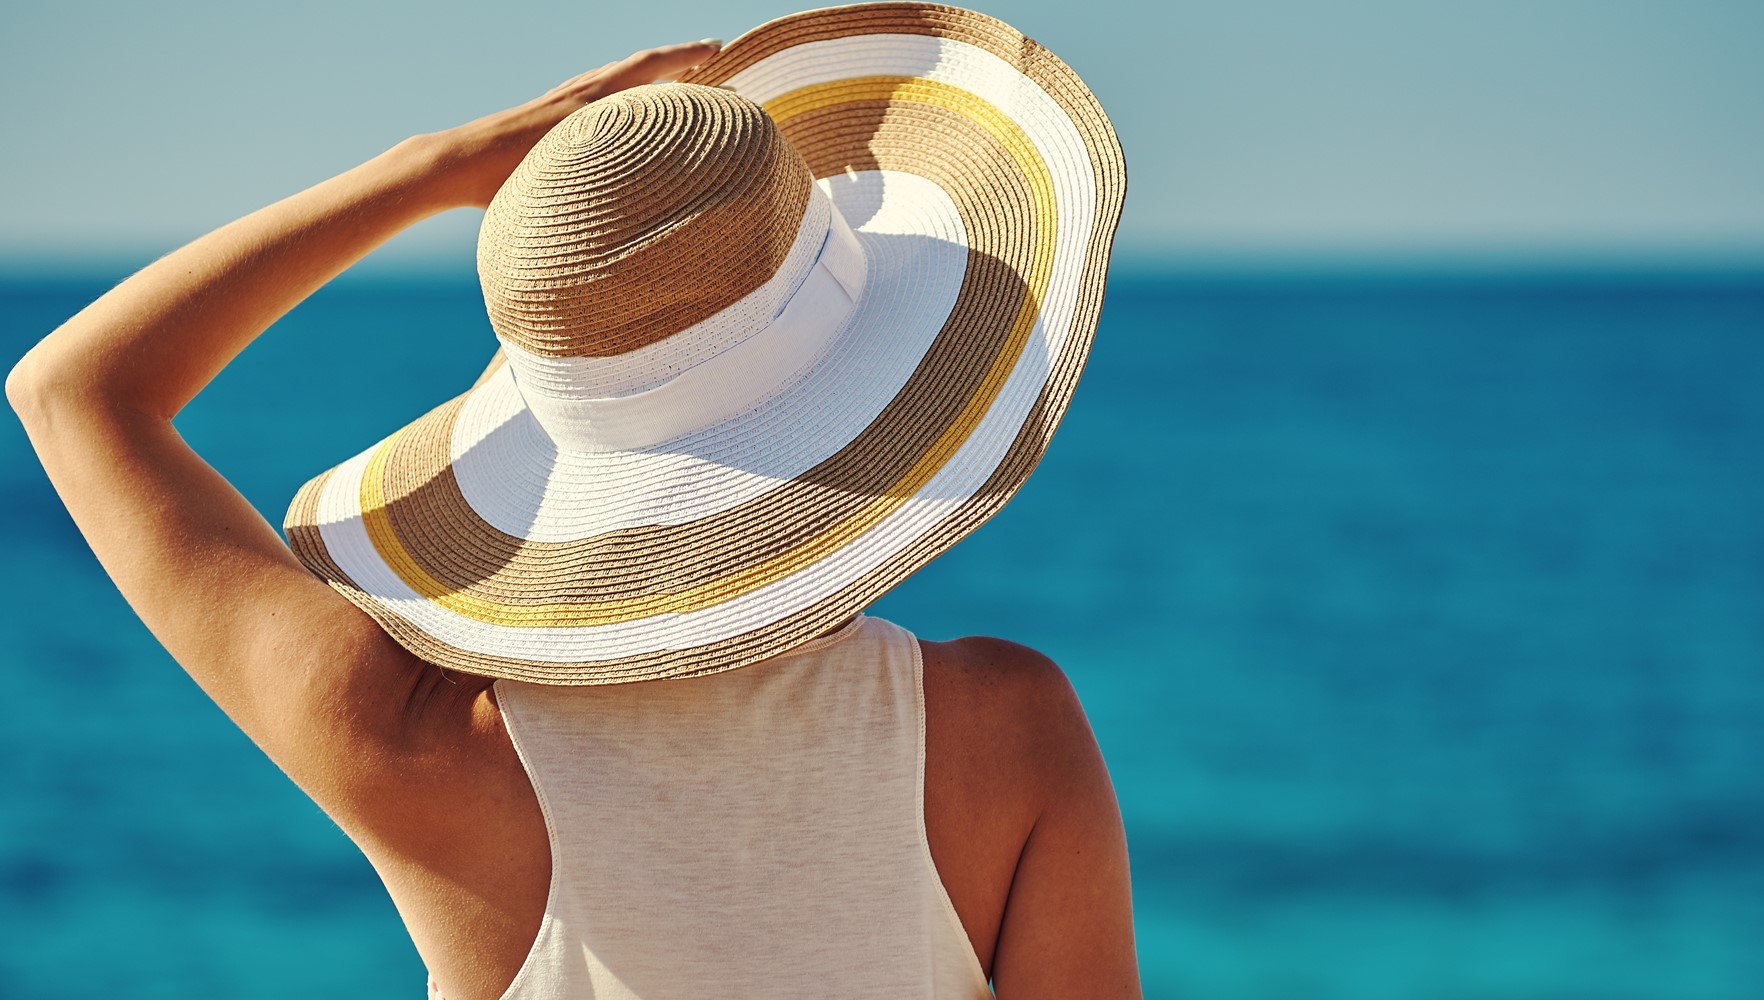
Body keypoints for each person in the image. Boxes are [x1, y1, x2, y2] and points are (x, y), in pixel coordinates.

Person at [7, 4, 1135, 998]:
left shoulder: (411, 735)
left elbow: (72, 391)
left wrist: (430, 171)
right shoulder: (1010, 730)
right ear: (893, 391)